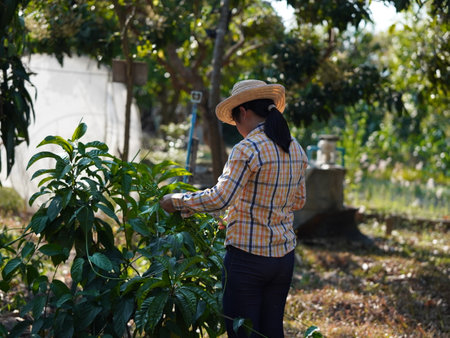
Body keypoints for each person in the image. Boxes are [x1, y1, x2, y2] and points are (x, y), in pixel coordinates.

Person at [160, 79, 308, 338]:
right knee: (272, 331)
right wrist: (247, 211)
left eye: (235, 119)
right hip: (283, 257)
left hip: (247, 260)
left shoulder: (248, 148)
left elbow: (219, 198)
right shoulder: (294, 147)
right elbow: (298, 201)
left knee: (243, 333)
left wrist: (176, 201)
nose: (237, 127)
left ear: (243, 112)